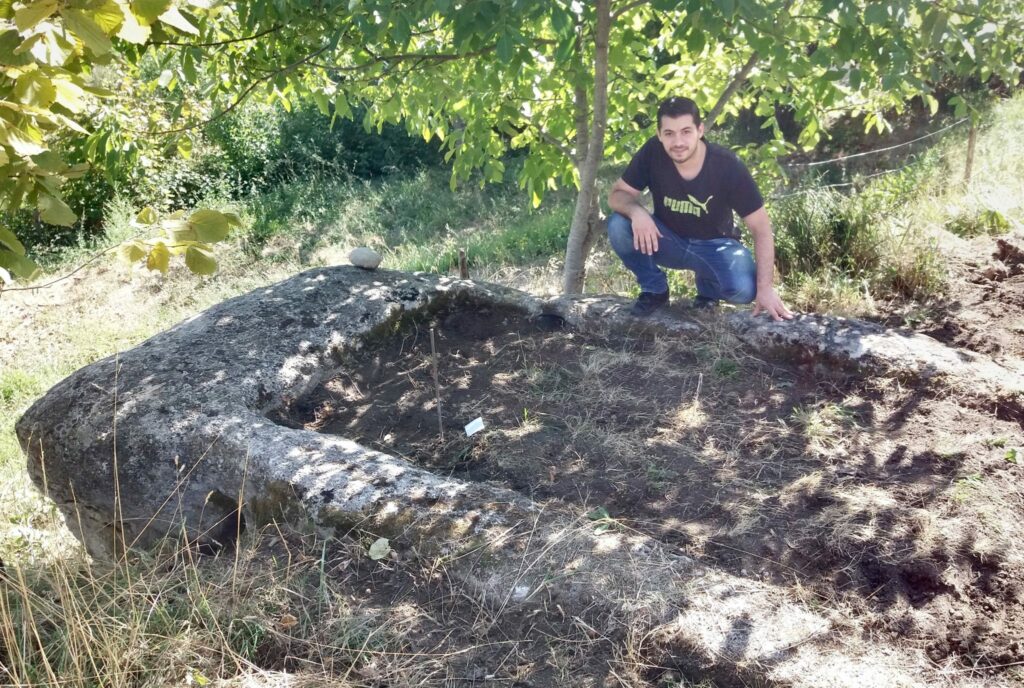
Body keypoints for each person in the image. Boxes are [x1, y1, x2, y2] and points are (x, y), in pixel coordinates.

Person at [607, 96, 793, 321]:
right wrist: (637, 213)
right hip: (669, 240)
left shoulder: (727, 165)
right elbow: (617, 195)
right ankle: (654, 289)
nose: (678, 142)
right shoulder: (652, 152)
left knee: (744, 290)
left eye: (686, 131)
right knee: (619, 225)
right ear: (659, 134)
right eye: (669, 133)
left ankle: (708, 290)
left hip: (716, 247)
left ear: (700, 130)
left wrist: (765, 289)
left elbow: (761, 228)